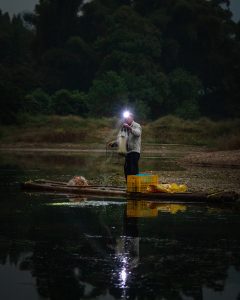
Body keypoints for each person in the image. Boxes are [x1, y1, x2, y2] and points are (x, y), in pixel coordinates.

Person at [109, 112, 142, 181]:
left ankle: (135, 185)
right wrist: (114, 143)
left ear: (132, 118)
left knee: (133, 170)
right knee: (127, 170)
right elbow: (122, 139)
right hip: (127, 152)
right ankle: (129, 185)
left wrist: (130, 128)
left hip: (135, 151)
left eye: (128, 118)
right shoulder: (124, 128)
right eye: (126, 118)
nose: (127, 119)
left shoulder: (136, 125)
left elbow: (138, 133)